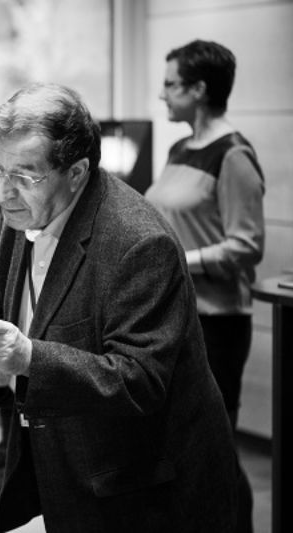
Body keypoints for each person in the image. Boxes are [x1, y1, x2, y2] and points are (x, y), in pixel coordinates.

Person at [0, 82, 241, 532]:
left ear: (77, 172)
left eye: (24, 175)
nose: (2, 192)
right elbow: (12, 307)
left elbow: (139, 379)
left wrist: (27, 358)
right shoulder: (23, 213)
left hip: (143, 491)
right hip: (62, 460)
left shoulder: (140, 242)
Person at [146, 39, 264, 533]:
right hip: (180, 316)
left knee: (214, 449)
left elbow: (246, 246)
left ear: (198, 89)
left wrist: (179, 260)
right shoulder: (180, 148)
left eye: (170, 84)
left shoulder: (233, 155)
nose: (162, 94)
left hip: (218, 322)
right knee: (182, 449)